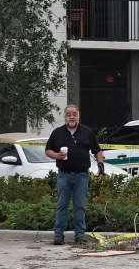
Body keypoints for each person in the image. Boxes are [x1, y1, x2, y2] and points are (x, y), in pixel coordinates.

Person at [45, 105, 105, 245]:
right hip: (64, 175)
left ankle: (79, 235)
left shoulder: (87, 132)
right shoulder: (57, 133)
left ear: (78, 116)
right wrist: (57, 156)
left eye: (74, 114)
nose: (71, 117)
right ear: (64, 117)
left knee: (79, 205)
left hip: (81, 175)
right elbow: (48, 150)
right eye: (68, 114)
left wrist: (101, 168)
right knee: (62, 205)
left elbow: (97, 151)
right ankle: (59, 234)